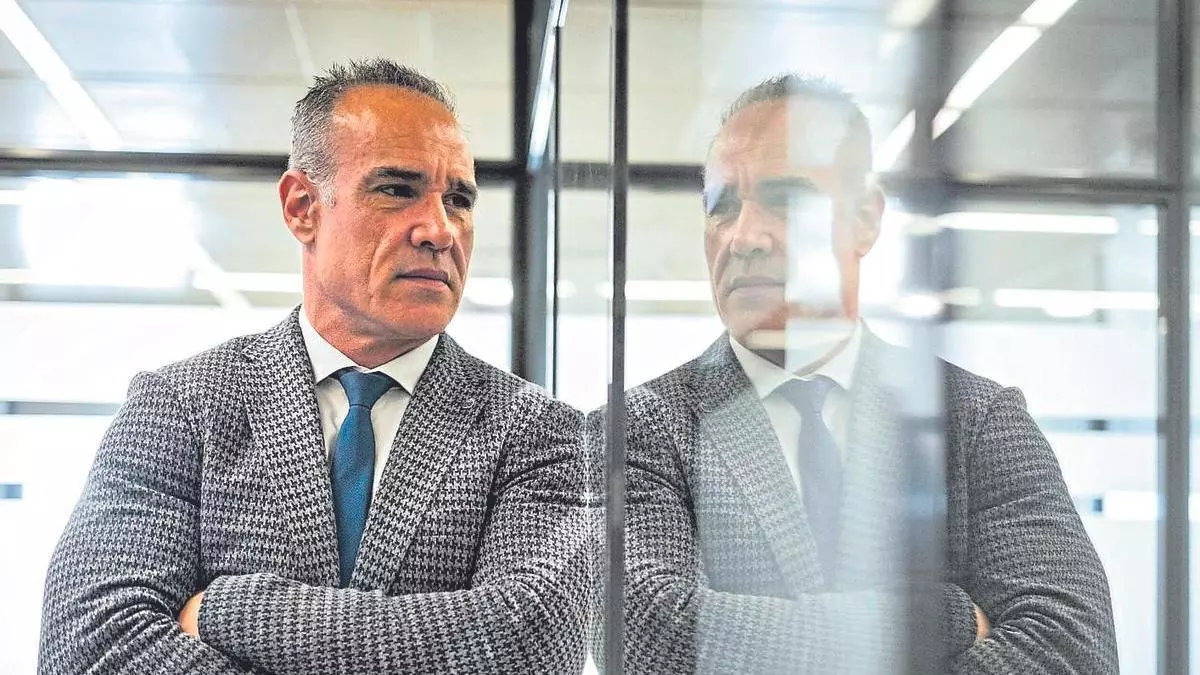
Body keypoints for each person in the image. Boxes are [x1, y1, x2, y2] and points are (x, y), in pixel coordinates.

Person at [39, 59, 591, 675]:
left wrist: (232, 610)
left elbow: (535, 640)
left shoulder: (537, 432)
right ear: (303, 207)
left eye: (458, 199)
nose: (440, 230)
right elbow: (91, 646)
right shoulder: (180, 406)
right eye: (397, 189)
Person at [618, 75, 1118, 673]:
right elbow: (649, 639)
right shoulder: (638, 429)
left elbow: (1072, 648)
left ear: (864, 219)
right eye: (721, 206)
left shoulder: (975, 418)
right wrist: (935, 618)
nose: (743, 236)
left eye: (786, 198)